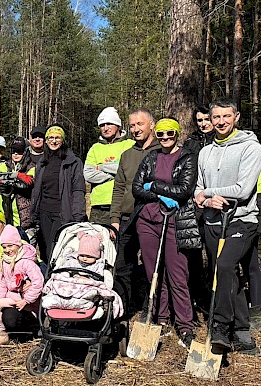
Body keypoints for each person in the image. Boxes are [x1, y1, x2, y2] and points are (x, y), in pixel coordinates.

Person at [194, 98, 261, 355]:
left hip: (241, 219)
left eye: (226, 116)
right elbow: (197, 190)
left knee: (224, 266)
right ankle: (242, 331)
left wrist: (207, 194)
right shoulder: (205, 152)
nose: (221, 122)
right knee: (223, 273)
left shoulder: (250, 148)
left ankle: (221, 326)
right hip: (213, 220)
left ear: (236, 117)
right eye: (216, 117)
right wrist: (204, 198)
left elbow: (243, 191)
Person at [131, 118, 201, 348]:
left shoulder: (187, 157)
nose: (165, 138)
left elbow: (183, 190)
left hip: (175, 222)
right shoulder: (151, 157)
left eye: (170, 134)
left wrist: (155, 186)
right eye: (160, 135)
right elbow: (137, 188)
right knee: (153, 274)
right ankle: (160, 319)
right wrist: (159, 195)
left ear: (177, 134)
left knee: (177, 275)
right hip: (147, 221)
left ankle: (185, 326)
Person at [108, 109, 160, 313]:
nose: (136, 129)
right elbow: (119, 187)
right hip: (127, 218)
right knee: (122, 266)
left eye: (140, 124)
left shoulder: (161, 152)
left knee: (151, 266)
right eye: (132, 125)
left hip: (152, 217)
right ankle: (124, 306)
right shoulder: (127, 155)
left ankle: (152, 308)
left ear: (151, 125)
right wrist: (115, 217)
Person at [30, 124, 87, 263]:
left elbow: (78, 190)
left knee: (57, 251)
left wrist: (78, 216)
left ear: (63, 140)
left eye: (57, 138)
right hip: (44, 212)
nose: (53, 141)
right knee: (45, 251)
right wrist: (34, 213)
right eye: (50, 138)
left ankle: (56, 280)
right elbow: (38, 189)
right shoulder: (42, 162)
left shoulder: (73, 162)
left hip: (62, 213)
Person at [0, 225, 44, 346]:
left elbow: (38, 282)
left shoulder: (26, 262)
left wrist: (26, 300)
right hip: (12, 296)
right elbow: (0, 284)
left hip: (26, 301)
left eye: (10, 246)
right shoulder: (4, 262)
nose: (7, 250)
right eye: (4, 247)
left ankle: (2, 333)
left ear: (18, 244)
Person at [41, 231, 123, 318]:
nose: (84, 258)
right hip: (70, 283)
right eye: (82, 255)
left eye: (89, 256)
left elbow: (98, 278)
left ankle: (83, 302)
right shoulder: (72, 261)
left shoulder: (98, 265)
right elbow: (63, 271)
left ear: (96, 256)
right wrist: (67, 276)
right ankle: (57, 300)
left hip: (87, 285)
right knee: (57, 284)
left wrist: (88, 279)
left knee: (91, 292)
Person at [181, 105, 214, 313]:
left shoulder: (219, 141)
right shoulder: (190, 142)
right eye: (199, 120)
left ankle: (214, 296)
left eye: (206, 119)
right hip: (193, 204)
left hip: (214, 202)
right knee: (192, 252)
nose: (203, 124)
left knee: (213, 254)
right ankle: (194, 295)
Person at [84, 107, 135, 224]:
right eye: (102, 125)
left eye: (109, 124)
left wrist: (101, 167)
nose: (105, 128)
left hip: (123, 205)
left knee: (120, 241)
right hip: (99, 206)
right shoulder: (95, 148)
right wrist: (116, 174)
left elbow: (129, 170)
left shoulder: (130, 145)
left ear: (118, 125)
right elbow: (88, 175)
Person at [244, 169, 261, 331]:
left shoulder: (253, 158)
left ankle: (256, 314)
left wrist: (260, 216)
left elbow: (260, 190)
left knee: (251, 265)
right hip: (238, 208)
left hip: (256, 204)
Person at [5, 137, 37, 242]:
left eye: (19, 151)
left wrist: (12, 178)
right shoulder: (6, 166)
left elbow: (28, 182)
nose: (15, 154)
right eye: (13, 151)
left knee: (28, 252)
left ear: (26, 151)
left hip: (27, 220)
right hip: (10, 218)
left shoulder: (32, 166)